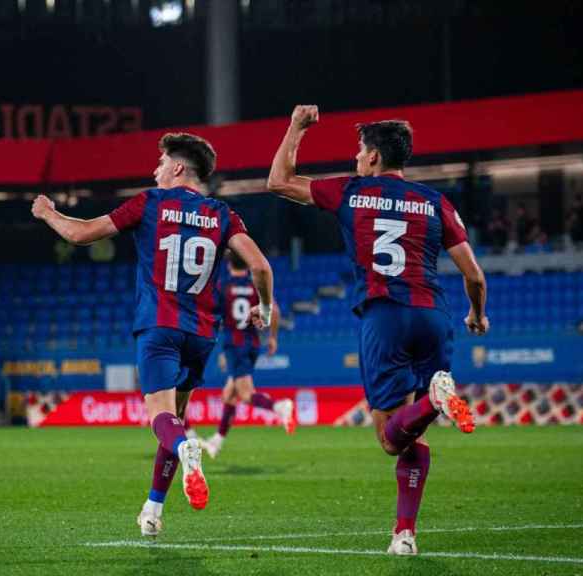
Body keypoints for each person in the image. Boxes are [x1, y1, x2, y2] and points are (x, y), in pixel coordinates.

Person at [267, 106, 488, 556]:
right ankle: (404, 534)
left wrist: (295, 128)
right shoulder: (435, 202)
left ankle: (434, 400)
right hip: (432, 315)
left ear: (372, 158)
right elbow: (475, 276)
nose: (354, 158)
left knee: (390, 439)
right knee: (415, 435)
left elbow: (278, 181)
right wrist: (477, 314)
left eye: (358, 150)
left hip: (384, 315)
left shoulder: (352, 191)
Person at [31, 132, 275, 538]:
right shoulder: (223, 214)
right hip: (201, 333)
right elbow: (261, 267)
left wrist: (48, 214)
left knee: (162, 420)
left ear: (177, 167)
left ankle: (187, 450)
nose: (155, 169)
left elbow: (81, 233)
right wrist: (265, 309)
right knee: (175, 420)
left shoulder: (150, 202)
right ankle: (152, 511)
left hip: (160, 326)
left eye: (160, 163)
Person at [204, 251, 292, 458]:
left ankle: (279, 407)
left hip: (234, 345)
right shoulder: (255, 284)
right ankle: (216, 442)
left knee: (244, 394)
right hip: (252, 343)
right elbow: (275, 311)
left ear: (228, 264)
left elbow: (213, 316)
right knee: (229, 394)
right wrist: (272, 338)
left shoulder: (223, 285)